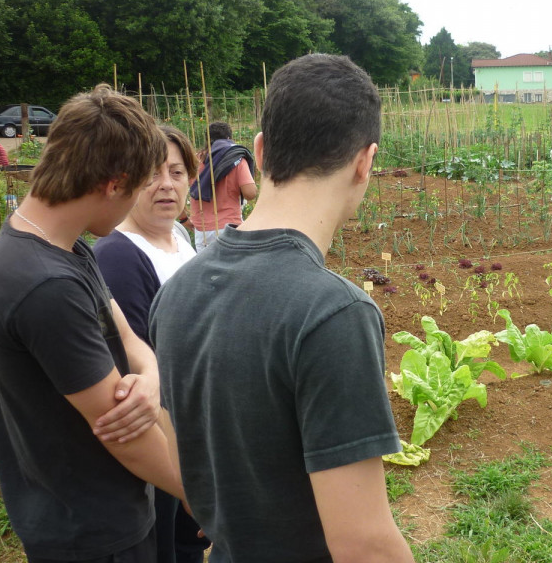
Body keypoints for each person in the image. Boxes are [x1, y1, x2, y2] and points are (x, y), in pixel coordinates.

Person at [150, 54, 414, 563]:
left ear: (262, 150)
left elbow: (183, 465)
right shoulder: (334, 314)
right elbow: (363, 546)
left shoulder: (175, 293)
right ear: (365, 162)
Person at [0, 84, 188, 562]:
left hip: (92, 514)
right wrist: (204, 498)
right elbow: (125, 435)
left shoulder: (61, 246)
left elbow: (129, 339)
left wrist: (150, 379)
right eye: (141, 185)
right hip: (91, 534)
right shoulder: (45, 286)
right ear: (114, 183)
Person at [94, 125, 209, 563]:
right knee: (170, 546)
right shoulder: (119, 255)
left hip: (193, 423)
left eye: (177, 172)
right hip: (163, 436)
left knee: (187, 544)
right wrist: (179, 474)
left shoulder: (179, 237)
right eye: (151, 174)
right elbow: (140, 374)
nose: (166, 185)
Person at [189, 121, 257, 251]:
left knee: (206, 271)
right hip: (229, 227)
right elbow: (250, 193)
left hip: (202, 230)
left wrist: (182, 219)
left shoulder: (195, 161)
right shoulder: (235, 159)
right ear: (229, 138)